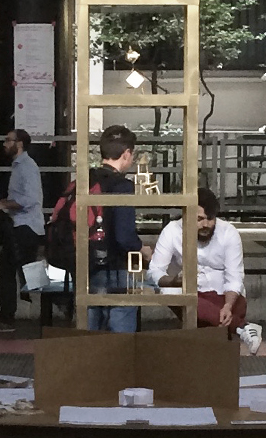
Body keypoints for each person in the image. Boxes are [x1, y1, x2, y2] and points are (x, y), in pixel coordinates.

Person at [144, 186, 247, 330]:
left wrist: (228, 306)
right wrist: (173, 281)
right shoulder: (172, 231)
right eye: (199, 219)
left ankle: (228, 324)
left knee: (234, 302)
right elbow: (154, 272)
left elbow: (234, 278)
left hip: (224, 297)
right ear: (187, 215)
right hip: (192, 295)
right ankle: (241, 327)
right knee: (169, 292)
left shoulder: (228, 232)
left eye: (210, 219)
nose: (206, 225)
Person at [0, 125, 44, 332]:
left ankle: (7, 319)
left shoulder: (26, 167)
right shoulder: (21, 166)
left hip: (25, 226)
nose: (4, 144)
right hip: (24, 226)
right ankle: (46, 313)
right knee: (24, 272)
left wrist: (2, 204)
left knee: (8, 272)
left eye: (8, 140)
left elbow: (28, 199)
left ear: (19, 144)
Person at [86, 125, 142, 333]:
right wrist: (141, 248)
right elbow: (124, 236)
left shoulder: (86, 181)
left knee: (90, 327)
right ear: (126, 154)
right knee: (121, 330)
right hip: (116, 266)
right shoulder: (122, 186)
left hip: (87, 263)